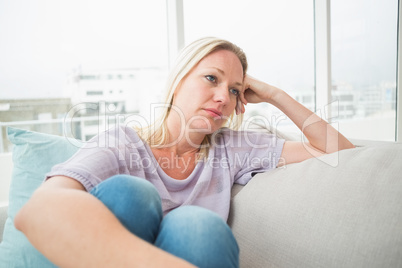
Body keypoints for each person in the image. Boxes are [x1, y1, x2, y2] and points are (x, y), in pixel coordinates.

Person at [14, 37, 355, 268]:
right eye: (211, 78)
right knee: (131, 194)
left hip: (197, 245)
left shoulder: (234, 150)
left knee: (197, 226)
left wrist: (275, 94)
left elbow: (339, 151)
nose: (224, 97)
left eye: (235, 90)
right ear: (178, 82)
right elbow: (38, 211)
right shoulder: (120, 143)